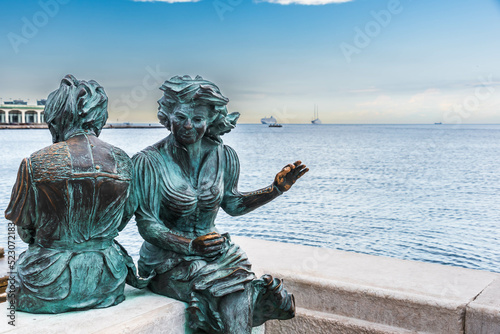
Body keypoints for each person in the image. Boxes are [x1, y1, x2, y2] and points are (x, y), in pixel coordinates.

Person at [132, 75, 308, 333]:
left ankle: (259, 300)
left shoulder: (224, 156)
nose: (188, 126)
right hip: (167, 261)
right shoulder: (148, 162)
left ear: (210, 120)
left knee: (234, 284)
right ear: (167, 116)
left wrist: (275, 189)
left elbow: (234, 205)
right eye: (181, 117)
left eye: (198, 119)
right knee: (234, 289)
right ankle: (263, 301)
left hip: (217, 254)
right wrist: (190, 245)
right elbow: (147, 225)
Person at [5, 75, 141, 313]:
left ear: (57, 118)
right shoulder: (124, 162)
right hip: (108, 278)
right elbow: (120, 223)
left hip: (46, 281)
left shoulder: (36, 162)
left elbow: (25, 232)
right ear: (99, 117)